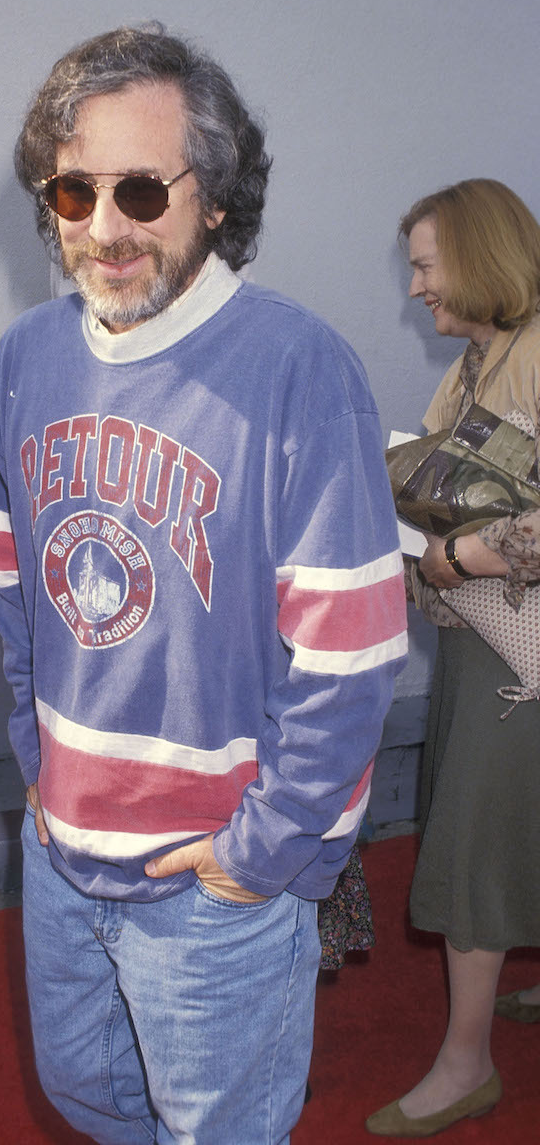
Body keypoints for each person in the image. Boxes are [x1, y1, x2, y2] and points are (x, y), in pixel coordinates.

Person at [0, 25, 407, 1145]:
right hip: (60, 853)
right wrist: (35, 764)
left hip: (212, 877)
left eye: (139, 189)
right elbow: (13, 590)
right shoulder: (24, 361)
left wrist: (260, 856)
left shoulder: (298, 369)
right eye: (73, 192)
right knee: (90, 1101)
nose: (104, 227)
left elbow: (351, 654)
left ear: (213, 198)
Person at [366, 179, 540, 1138]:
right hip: (495, 648)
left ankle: (467, 1066)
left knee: (475, 841)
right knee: (506, 824)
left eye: (428, 267)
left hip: (524, 658)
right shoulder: (480, 362)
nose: (417, 290)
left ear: (480, 257)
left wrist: (460, 554)